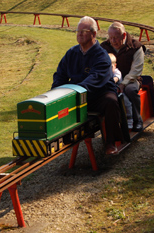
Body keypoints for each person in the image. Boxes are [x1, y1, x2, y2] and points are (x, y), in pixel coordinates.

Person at [52, 16, 123, 155]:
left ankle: (110, 142)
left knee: (111, 101)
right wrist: (56, 92)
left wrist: (73, 91)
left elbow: (95, 80)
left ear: (94, 34)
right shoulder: (71, 53)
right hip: (76, 95)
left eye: (84, 31)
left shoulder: (101, 55)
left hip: (98, 95)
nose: (79, 34)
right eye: (78, 31)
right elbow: (60, 74)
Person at [101, 21, 145, 132]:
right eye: (110, 38)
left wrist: (123, 84)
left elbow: (136, 70)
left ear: (124, 36)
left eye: (116, 38)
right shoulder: (104, 47)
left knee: (130, 90)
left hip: (131, 79)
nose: (113, 41)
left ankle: (137, 120)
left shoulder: (136, 47)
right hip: (111, 80)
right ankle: (110, 125)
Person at [108, 53, 134, 129]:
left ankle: (129, 119)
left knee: (126, 103)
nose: (108, 69)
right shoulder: (105, 72)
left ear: (115, 65)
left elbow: (116, 78)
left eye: (111, 67)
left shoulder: (116, 72)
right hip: (110, 93)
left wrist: (112, 81)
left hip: (119, 92)